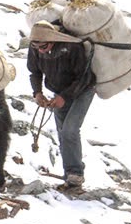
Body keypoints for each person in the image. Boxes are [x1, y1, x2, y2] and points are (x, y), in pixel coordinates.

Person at [27, 21, 96, 189]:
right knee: (62, 132)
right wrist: (37, 92)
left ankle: (76, 173)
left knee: (70, 129)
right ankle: (70, 174)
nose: (40, 50)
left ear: (52, 40)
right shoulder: (35, 48)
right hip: (59, 92)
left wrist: (64, 97)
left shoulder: (72, 47)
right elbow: (34, 72)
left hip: (82, 90)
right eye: (37, 47)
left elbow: (83, 77)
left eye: (43, 46)